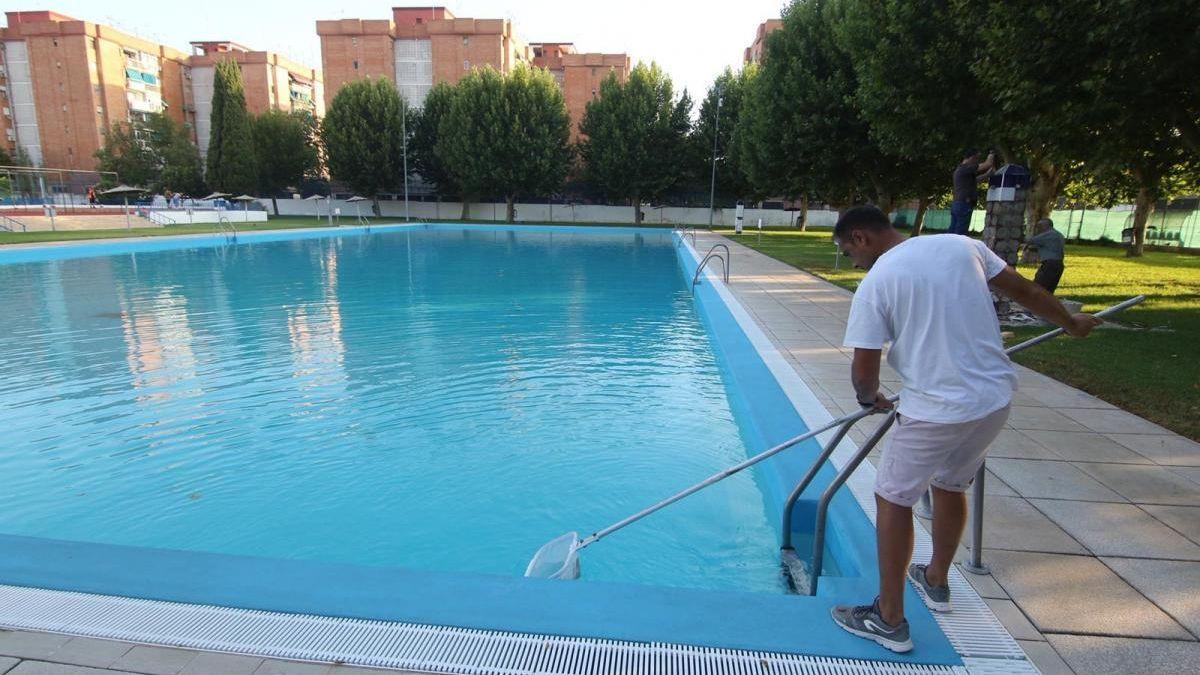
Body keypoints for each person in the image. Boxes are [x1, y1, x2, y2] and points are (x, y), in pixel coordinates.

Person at [828, 206, 1101, 653]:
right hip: (992, 399)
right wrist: (1071, 323)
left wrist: (867, 399)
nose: (853, 262)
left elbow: (863, 369)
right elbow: (1026, 291)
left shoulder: (877, 282)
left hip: (936, 408)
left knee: (892, 497)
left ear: (861, 237)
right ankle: (935, 580)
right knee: (951, 484)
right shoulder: (964, 246)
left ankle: (889, 619)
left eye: (848, 252)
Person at [949, 150, 995, 235]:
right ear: (972, 158)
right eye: (976, 159)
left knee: (953, 232)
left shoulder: (960, 170)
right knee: (960, 233)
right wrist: (991, 153)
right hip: (964, 204)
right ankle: (958, 248)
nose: (977, 162)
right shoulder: (966, 168)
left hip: (957, 204)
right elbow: (987, 164)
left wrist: (987, 175)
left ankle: (949, 247)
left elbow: (975, 180)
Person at [1025, 218, 1066, 294]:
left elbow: (1030, 240)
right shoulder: (1058, 235)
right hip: (1059, 264)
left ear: (1046, 226)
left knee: (1038, 287)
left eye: (1039, 226)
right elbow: (1049, 247)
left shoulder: (1049, 234)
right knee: (1049, 290)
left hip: (1050, 264)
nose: (1038, 229)